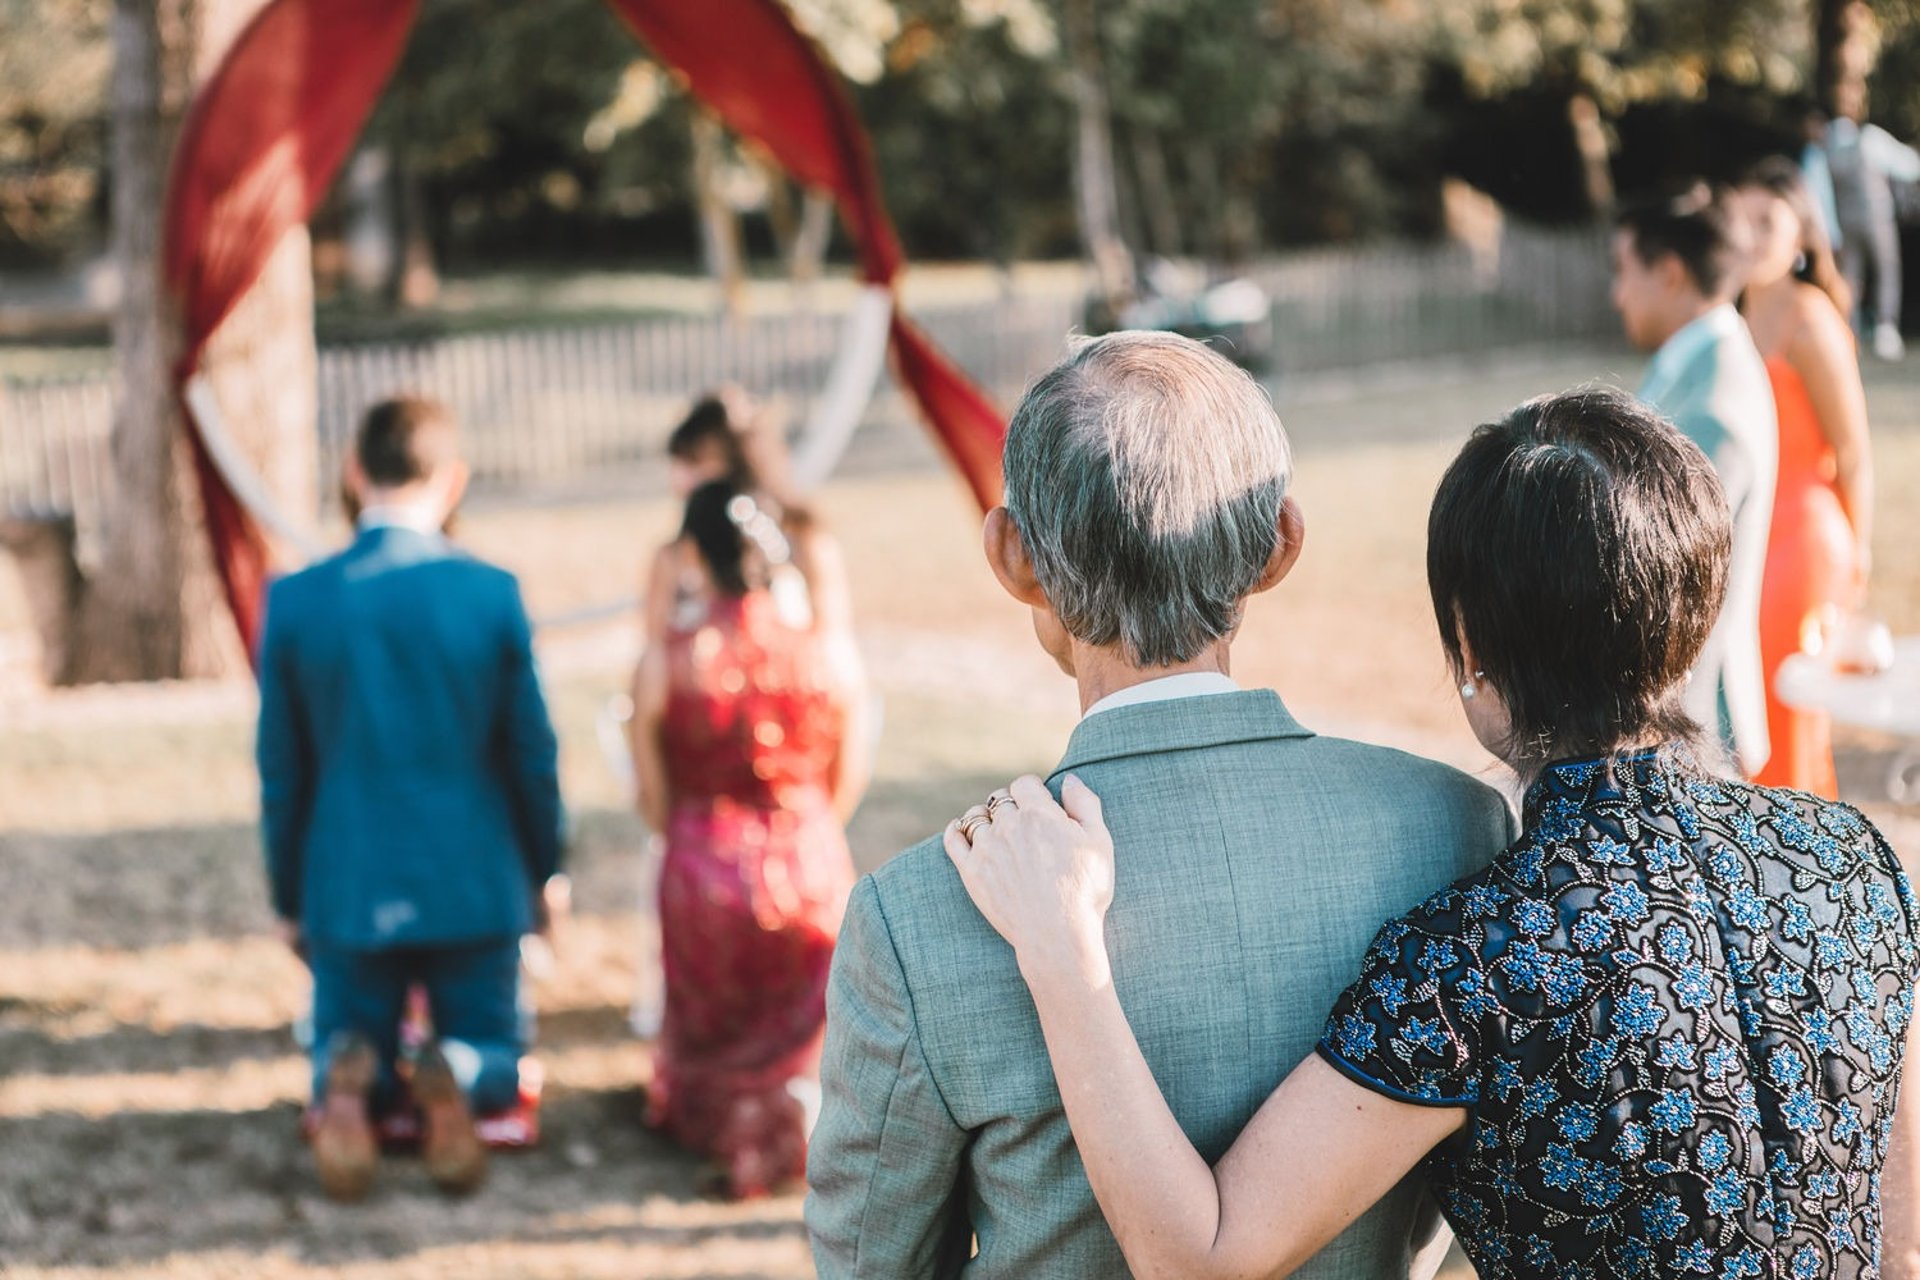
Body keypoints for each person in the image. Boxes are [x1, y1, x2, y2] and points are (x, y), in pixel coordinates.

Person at [944, 386, 1920, 1280]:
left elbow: (1202, 1254)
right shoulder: (1858, 858)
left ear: (1475, 659)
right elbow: (1901, 1242)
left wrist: (1067, 956)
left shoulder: (1476, 961)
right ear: (1699, 607)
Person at [806, 331, 1514, 1278]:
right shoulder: (1459, 828)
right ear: (1280, 545)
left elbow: (872, 1265)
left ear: (1012, 556)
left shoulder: (918, 913)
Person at [257, 396, 565, 1201]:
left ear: (355, 474)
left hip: (348, 884)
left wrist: (291, 898)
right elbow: (533, 754)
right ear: (452, 479)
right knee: (499, 1049)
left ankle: (350, 1080)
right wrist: (546, 872)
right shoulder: (492, 592)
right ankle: (459, 1074)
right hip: (474, 882)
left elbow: (282, 771)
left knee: (341, 1036)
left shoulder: (294, 599)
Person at [629, 430, 869, 1197]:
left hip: (704, 864)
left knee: (713, 1024)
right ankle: (795, 1114)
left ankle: (724, 1128)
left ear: (694, 558)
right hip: (807, 857)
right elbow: (849, 764)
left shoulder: (669, 656)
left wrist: (688, 835)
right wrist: (811, 825)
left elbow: (653, 789)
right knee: (802, 1023)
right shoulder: (824, 650)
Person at [1613, 184, 1776, 777]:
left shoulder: (1714, 405)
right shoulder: (1693, 367)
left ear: (1671, 273)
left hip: (1694, 720)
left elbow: (1674, 576)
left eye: (1624, 270)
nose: (1616, 293)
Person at [1735, 156, 1877, 797]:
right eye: (1741, 219)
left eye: (1768, 221)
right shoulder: (1731, 315)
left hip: (1803, 546)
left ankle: (1801, 869)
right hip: (1747, 534)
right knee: (1742, 717)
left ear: (1801, 237)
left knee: (1786, 713)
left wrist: (1858, 557)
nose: (1750, 234)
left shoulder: (1810, 319)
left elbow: (1852, 452)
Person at [1807, 87, 1920, 361]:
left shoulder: (1822, 149)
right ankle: (1885, 328)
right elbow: (1909, 165)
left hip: (1845, 221)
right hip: (1877, 217)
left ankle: (1850, 329)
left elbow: (1818, 193)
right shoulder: (1869, 138)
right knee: (1886, 271)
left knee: (1851, 277)